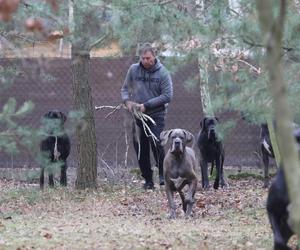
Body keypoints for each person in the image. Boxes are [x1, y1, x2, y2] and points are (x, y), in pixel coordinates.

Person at [121, 43, 173, 190]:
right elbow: (125, 89)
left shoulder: (163, 73)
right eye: (142, 58)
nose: (145, 61)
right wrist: (127, 101)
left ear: (154, 56)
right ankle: (148, 180)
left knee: (156, 143)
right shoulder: (133, 70)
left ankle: (163, 175)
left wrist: (147, 105)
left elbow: (168, 96)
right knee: (140, 148)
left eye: (148, 58)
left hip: (156, 115)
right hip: (137, 115)